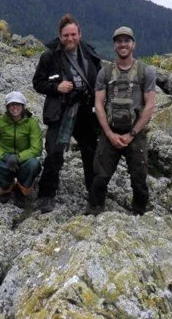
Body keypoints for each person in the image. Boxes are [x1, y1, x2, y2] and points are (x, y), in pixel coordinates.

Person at [32, 13, 102, 213]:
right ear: (60, 36)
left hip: (86, 112)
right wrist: (56, 87)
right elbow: (37, 83)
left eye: (73, 34)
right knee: (54, 152)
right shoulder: (49, 56)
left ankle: (95, 196)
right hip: (61, 111)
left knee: (91, 152)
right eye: (66, 35)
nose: (70, 39)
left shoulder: (90, 53)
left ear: (79, 34)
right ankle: (46, 195)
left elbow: (99, 81)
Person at [87, 26, 156, 215]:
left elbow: (150, 105)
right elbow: (99, 104)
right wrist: (109, 134)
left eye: (127, 41)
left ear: (133, 44)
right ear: (114, 45)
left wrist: (132, 134)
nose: (123, 44)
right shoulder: (105, 73)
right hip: (110, 131)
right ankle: (95, 210)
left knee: (139, 179)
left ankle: (139, 213)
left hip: (136, 133)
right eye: (119, 41)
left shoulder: (145, 72)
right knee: (100, 176)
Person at [0, 91, 43, 208]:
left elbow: (36, 148)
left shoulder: (32, 123)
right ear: (7, 107)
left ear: (23, 106)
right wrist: (5, 156)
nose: (15, 107)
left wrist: (18, 158)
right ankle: (7, 186)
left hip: (24, 160)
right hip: (4, 159)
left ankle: (22, 189)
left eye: (18, 104)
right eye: (11, 104)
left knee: (34, 165)